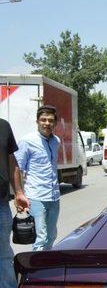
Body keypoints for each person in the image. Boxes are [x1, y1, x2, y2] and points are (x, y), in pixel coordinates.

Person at [15, 105, 62, 252]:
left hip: (54, 196)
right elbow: (17, 168)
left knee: (52, 235)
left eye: (50, 120)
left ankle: (45, 264)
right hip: (36, 196)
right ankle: (36, 271)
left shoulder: (56, 141)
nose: (47, 123)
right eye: (43, 120)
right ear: (37, 121)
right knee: (40, 238)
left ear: (55, 123)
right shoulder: (27, 141)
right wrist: (19, 194)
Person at [0, 119, 29, 288]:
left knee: (3, 254)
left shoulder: (3, 126)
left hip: (0, 203)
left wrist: (18, 192)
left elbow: (12, 162)